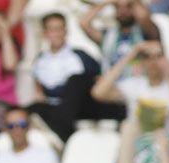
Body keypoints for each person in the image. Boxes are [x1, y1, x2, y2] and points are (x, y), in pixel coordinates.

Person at [30, 13, 121, 142]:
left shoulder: (80, 56)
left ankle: (63, 133)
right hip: (55, 106)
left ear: (65, 31)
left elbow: (98, 80)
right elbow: (39, 90)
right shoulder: (39, 61)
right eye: (52, 29)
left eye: (60, 29)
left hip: (82, 105)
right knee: (32, 108)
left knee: (75, 80)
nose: (57, 34)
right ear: (45, 33)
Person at [80, 0, 161, 75]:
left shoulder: (145, 32)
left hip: (139, 84)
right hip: (113, 86)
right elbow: (84, 23)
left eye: (128, 6)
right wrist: (107, 2)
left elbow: (144, 16)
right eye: (118, 7)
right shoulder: (108, 36)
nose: (123, 11)